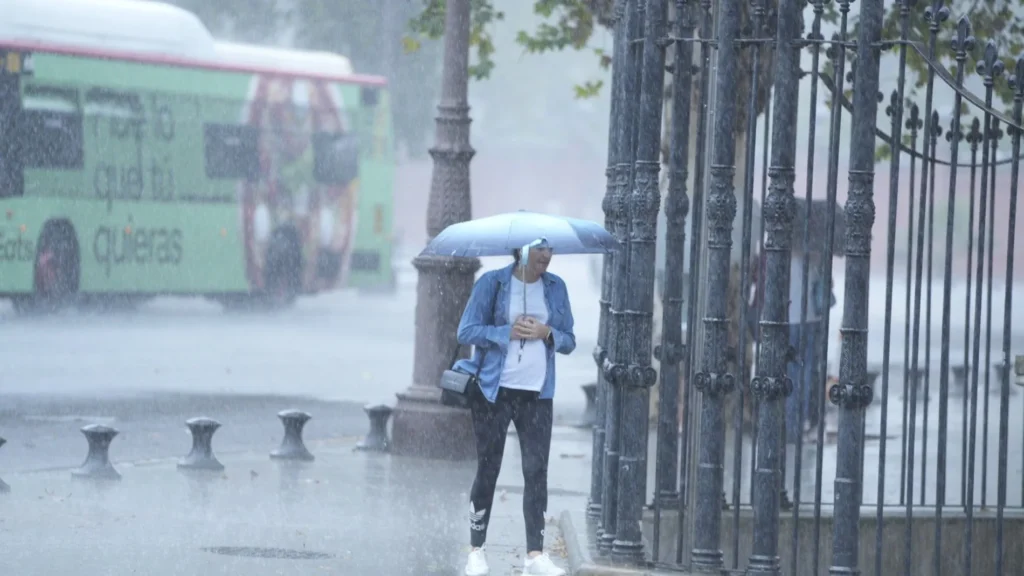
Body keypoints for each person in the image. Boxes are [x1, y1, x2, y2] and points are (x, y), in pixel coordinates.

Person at [453, 239, 575, 576]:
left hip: (538, 395)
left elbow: (569, 340)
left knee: (536, 472)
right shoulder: (492, 283)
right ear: (521, 250)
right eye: (540, 248)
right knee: (488, 469)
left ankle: (535, 555)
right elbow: (467, 330)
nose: (547, 255)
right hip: (494, 392)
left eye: (550, 249)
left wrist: (547, 332)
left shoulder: (556, 288)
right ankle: (476, 550)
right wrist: (504, 332)